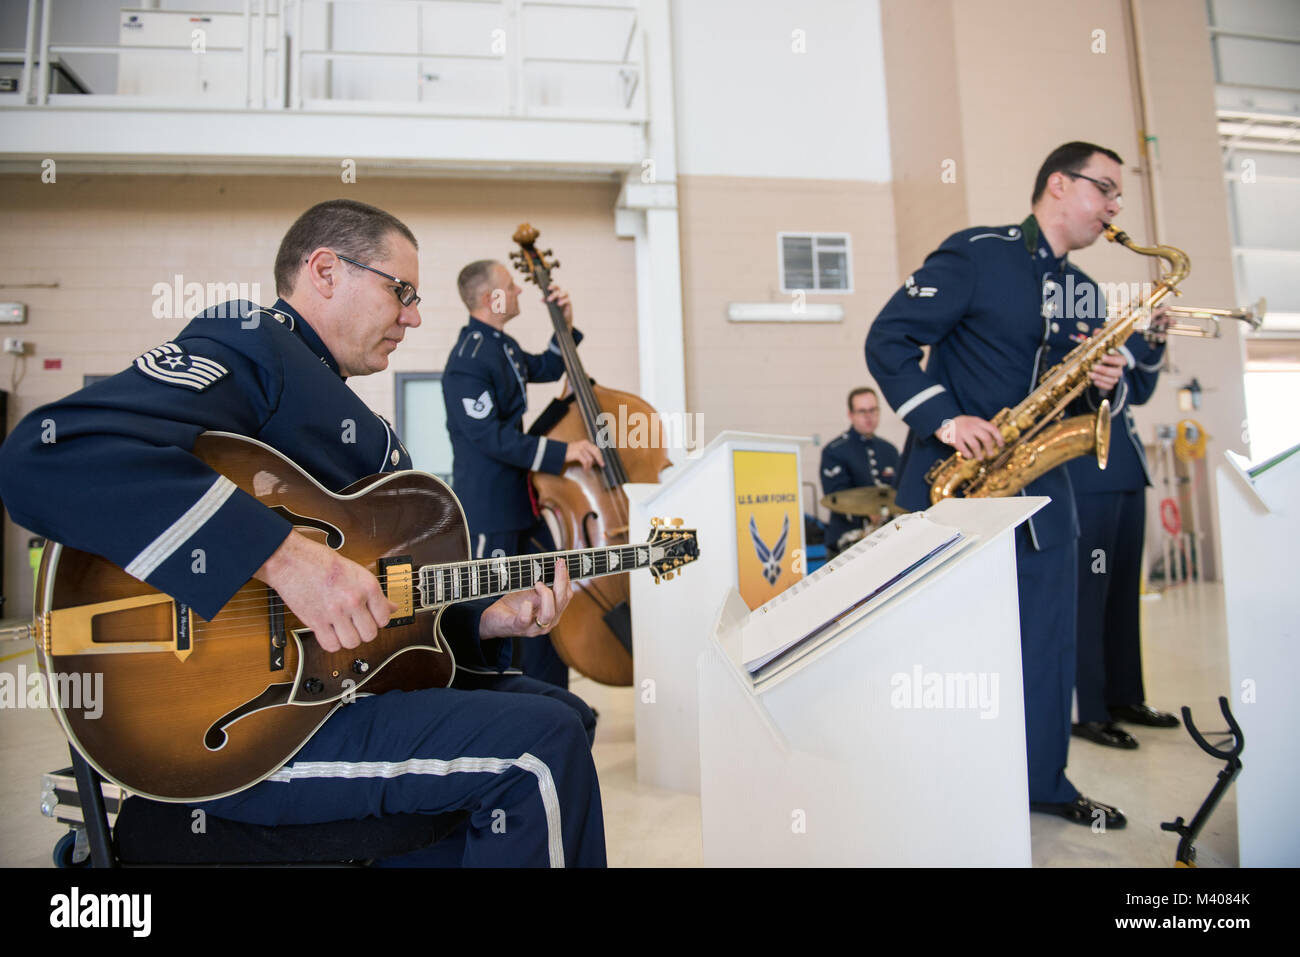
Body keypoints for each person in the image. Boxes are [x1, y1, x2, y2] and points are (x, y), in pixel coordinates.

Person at [0, 199, 605, 866]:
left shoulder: (331, 396)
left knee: (567, 712)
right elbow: (46, 456)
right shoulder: (251, 343)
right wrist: (282, 558)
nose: (414, 315)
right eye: (400, 290)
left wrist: (483, 620)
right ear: (324, 270)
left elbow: (376, 610)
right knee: (540, 747)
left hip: (346, 689)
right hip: (251, 722)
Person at [866, 142, 1132, 829]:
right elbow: (888, 338)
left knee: (1048, 645)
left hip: (1046, 496)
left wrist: (1110, 384)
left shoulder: (1088, 293)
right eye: (1104, 189)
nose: (1113, 206)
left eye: (1117, 195)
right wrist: (945, 418)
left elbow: (1089, 408)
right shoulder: (976, 253)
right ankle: (939, 782)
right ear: (1056, 185)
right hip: (956, 489)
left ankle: (1043, 780)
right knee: (944, 645)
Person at [441, 259, 603, 690]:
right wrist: (563, 451)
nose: (518, 292)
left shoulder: (503, 347)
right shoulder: (467, 361)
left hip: (521, 502)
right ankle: (498, 699)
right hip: (490, 508)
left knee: (549, 592)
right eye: (511, 286)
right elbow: (489, 436)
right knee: (495, 608)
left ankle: (550, 695)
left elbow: (550, 367)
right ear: (490, 296)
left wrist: (564, 325)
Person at [1067, 326, 1180, 749]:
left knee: (1121, 598)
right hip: (1089, 477)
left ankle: (1124, 696)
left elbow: (1142, 391)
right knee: (1090, 598)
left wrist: (1153, 341)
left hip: (1128, 473)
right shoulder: (1072, 336)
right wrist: (1133, 344)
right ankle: (1089, 709)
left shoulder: (1117, 347)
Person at [820, 387, 900, 557]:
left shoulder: (889, 450)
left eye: (873, 410)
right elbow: (836, 495)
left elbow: (898, 491)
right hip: (848, 539)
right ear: (851, 415)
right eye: (862, 411)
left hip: (888, 537)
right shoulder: (834, 451)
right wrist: (869, 511)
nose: (868, 416)